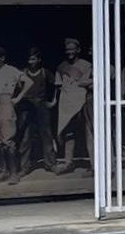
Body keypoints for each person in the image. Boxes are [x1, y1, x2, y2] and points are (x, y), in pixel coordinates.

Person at [0, 47, 25, 185]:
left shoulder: (11, 70)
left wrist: (18, 98)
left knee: (8, 140)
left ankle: (14, 174)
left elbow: (29, 82)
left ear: (3, 58)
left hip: (5, 102)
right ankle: (4, 171)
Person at [54, 37, 93, 174]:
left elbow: (87, 83)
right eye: (67, 50)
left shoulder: (86, 65)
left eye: (72, 49)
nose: (69, 52)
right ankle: (68, 162)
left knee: (88, 132)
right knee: (68, 131)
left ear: (78, 50)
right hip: (66, 103)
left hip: (83, 101)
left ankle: (94, 164)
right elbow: (59, 87)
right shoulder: (61, 66)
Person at [14, 47, 55, 176]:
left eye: (33, 59)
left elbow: (56, 87)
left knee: (46, 135)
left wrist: (52, 101)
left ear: (39, 59)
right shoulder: (22, 73)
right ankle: (24, 166)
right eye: (29, 59)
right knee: (25, 137)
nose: (30, 62)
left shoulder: (45, 73)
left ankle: (50, 164)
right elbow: (14, 88)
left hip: (41, 107)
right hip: (26, 107)